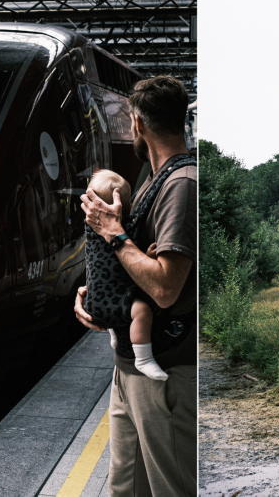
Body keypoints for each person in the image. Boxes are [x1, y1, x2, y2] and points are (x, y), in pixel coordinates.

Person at [74, 75, 196, 497]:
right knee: (125, 489)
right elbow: (133, 266)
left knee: (171, 487)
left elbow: (165, 287)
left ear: (138, 124)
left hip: (166, 374)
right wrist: (96, 293)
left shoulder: (182, 186)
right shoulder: (154, 179)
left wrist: (113, 232)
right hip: (129, 368)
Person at [83, 169, 167, 381]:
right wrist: (146, 255)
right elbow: (130, 259)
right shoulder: (125, 229)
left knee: (118, 303)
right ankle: (144, 358)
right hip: (118, 303)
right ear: (126, 206)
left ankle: (115, 335)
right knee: (142, 311)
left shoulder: (90, 230)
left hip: (93, 302)